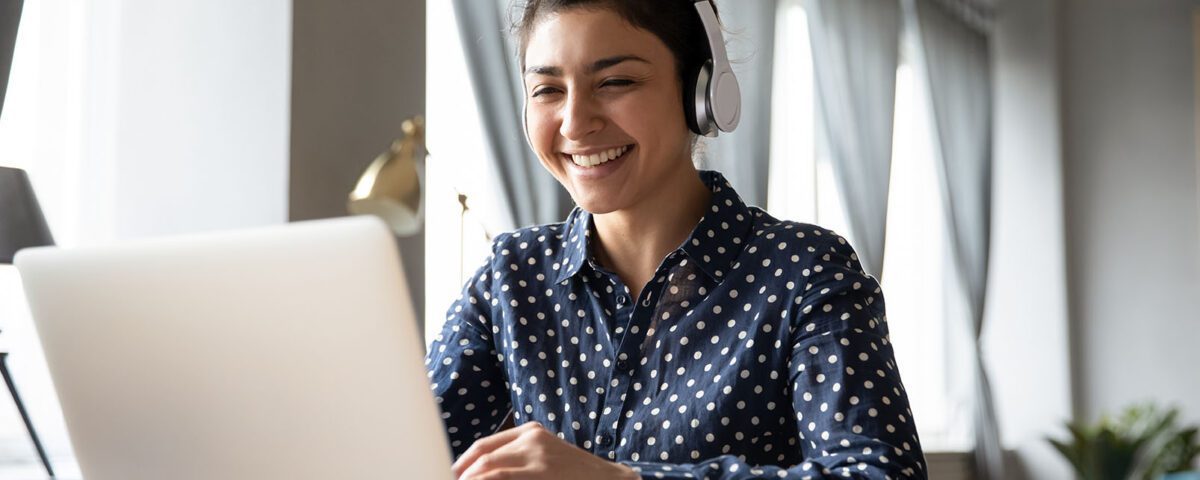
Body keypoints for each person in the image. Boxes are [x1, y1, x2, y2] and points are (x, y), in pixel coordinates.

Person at [425, 1, 927, 478]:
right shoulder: (511, 276)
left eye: (615, 81)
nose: (575, 122)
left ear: (701, 93)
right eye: (547, 90)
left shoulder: (804, 271)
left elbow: (878, 472)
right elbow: (405, 448)